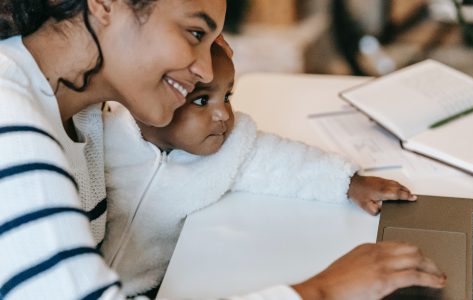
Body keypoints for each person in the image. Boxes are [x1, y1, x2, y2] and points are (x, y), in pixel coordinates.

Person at [0, 0, 445, 299]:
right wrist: (319, 291)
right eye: (194, 33)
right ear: (103, 5)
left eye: (212, 43)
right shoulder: (13, 129)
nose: (203, 67)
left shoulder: (79, 113)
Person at [101, 43, 425, 296]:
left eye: (227, 96)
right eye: (201, 101)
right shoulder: (105, 131)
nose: (223, 115)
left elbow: (282, 162)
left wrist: (349, 182)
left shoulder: (227, 148)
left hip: (156, 286)